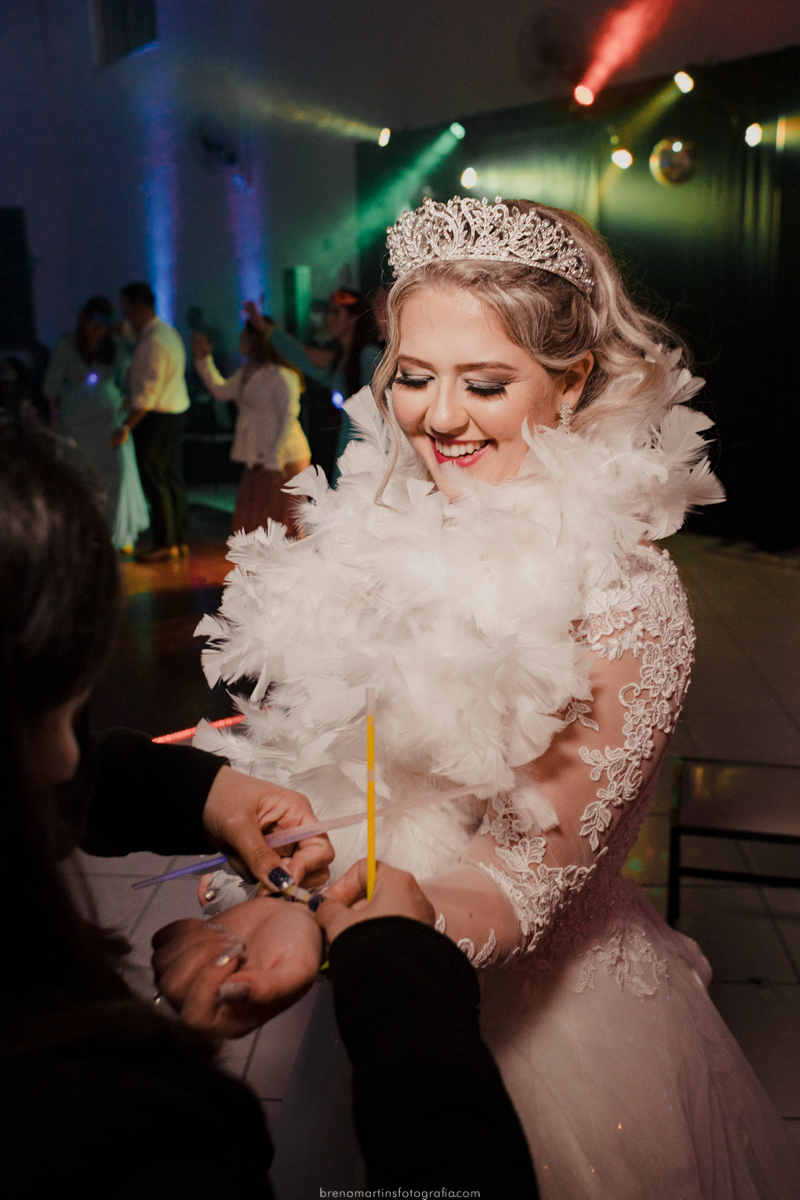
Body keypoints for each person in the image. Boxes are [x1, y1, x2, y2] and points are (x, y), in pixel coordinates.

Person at [178, 197, 800, 1197]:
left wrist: (350, 932)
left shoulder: (622, 599)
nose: (437, 416)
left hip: (539, 1036)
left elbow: (526, 889)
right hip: (381, 996)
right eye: (413, 377)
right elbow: (351, 771)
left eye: (485, 383)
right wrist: (284, 877)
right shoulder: (388, 529)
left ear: (570, 380)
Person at [0, 421, 537, 1196]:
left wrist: (208, 794)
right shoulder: (108, 1124)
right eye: (64, 710)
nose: (73, 754)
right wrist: (396, 977)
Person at [191, 308, 311, 536]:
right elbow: (221, 390)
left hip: (284, 459)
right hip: (259, 458)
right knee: (254, 522)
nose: (240, 339)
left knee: (281, 526)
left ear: (257, 339)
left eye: (245, 334)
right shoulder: (249, 372)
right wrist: (203, 360)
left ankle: (288, 571)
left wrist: (274, 461)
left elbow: (288, 417)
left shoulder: (283, 375)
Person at [43, 295, 148, 552]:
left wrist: (125, 406)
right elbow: (52, 386)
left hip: (108, 417)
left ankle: (118, 532)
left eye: (102, 327)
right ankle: (88, 533)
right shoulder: (67, 344)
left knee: (116, 474)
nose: (96, 333)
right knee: (82, 475)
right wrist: (54, 419)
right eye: (92, 326)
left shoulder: (115, 344)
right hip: (77, 419)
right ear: (83, 321)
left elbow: (132, 369)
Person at [265, 288, 382, 480]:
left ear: (354, 318)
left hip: (370, 452)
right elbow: (302, 355)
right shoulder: (340, 361)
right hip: (348, 449)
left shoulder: (369, 357)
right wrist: (265, 329)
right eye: (329, 311)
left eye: (336, 312)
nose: (328, 318)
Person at [118, 282, 190, 562]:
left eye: (127, 310)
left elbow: (146, 396)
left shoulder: (154, 342)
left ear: (138, 308)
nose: (125, 317)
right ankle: (178, 539)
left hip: (158, 418)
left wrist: (125, 427)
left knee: (155, 477)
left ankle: (165, 543)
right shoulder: (166, 333)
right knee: (171, 478)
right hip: (174, 412)